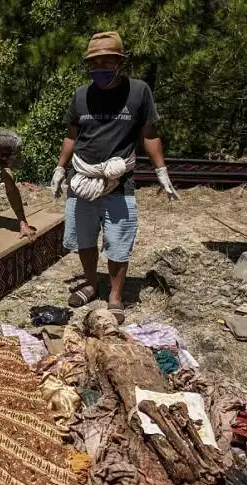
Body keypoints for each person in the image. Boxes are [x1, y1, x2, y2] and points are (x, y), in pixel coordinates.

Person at [50, 31, 180, 324]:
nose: (101, 68)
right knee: (83, 237)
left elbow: (149, 134)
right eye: (95, 63)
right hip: (82, 179)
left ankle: (116, 297)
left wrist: (161, 171)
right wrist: (60, 168)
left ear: (120, 63)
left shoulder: (138, 92)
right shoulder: (81, 95)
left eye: (107, 62)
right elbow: (72, 136)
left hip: (118, 182)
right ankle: (91, 284)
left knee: (118, 241)